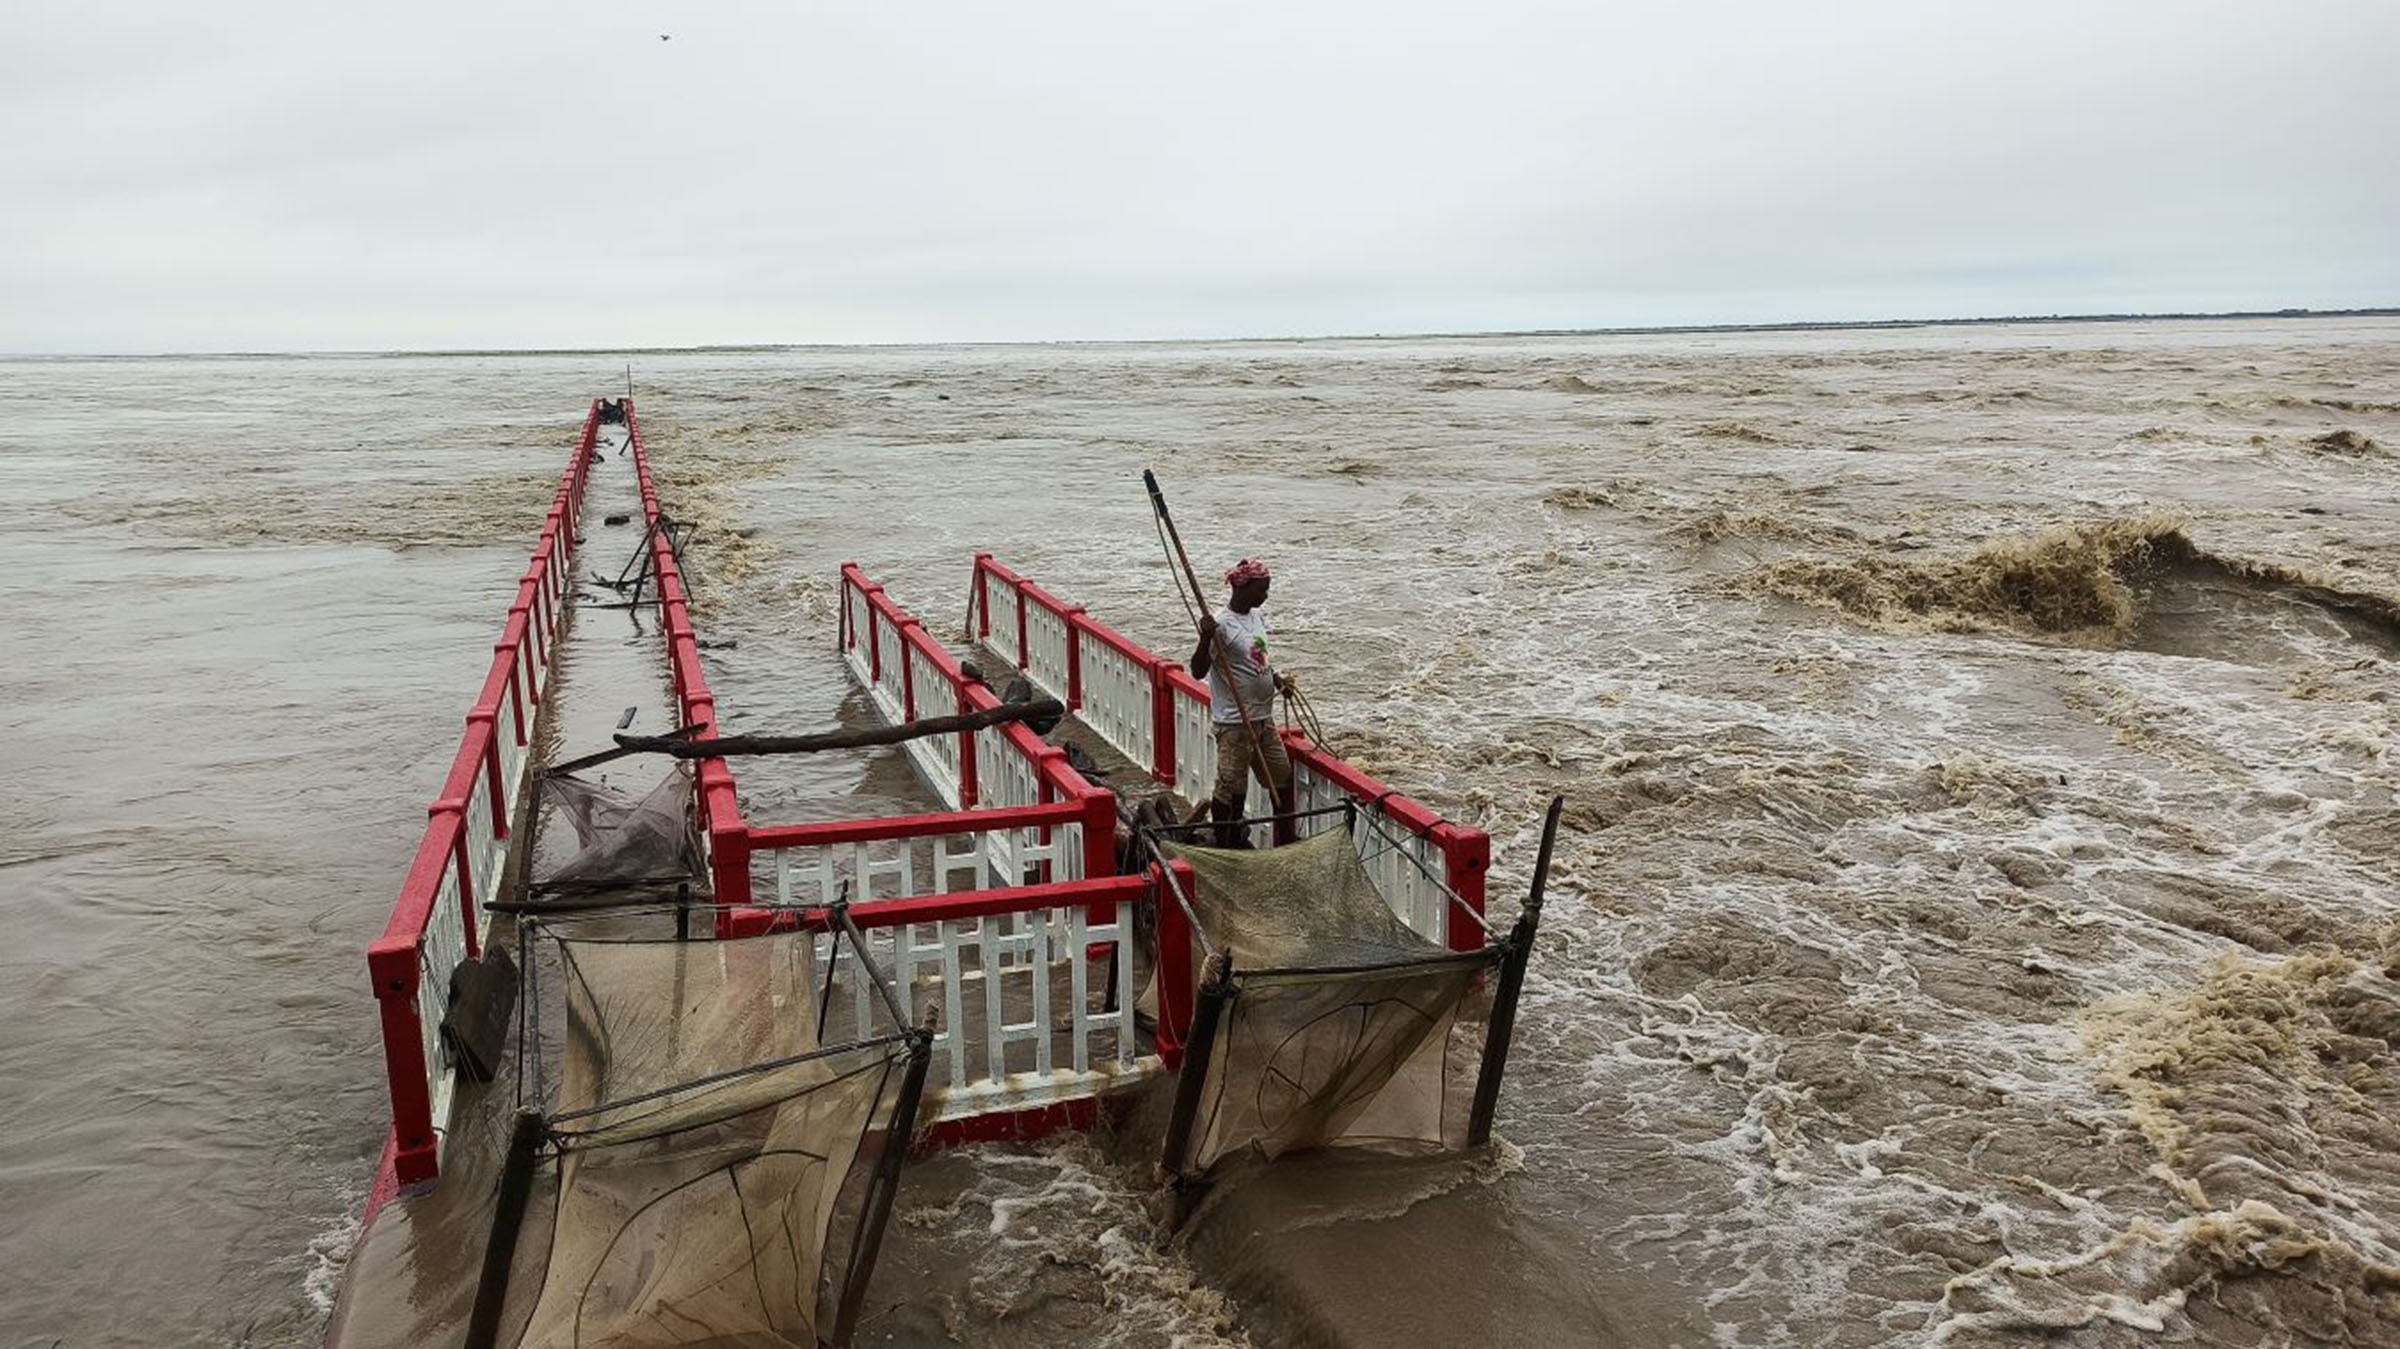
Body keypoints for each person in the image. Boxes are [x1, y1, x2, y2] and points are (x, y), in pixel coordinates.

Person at [1189, 557, 1294, 846]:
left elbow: (1259, 661)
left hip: (1263, 718)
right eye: (1262, 589)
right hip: (1235, 724)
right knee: (1232, 790)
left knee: (1282, 777)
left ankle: (1285, 839)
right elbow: (1197, 670)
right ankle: (1227, 843)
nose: (1265, 595)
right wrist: (1204, 637)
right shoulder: (1220, 625)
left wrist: (1277, 681)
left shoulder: (1256, 617)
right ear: (1242, 587)